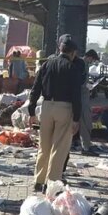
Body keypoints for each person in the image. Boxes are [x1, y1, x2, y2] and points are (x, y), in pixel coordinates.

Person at [27, 35, 83, 192]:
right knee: (59, 148)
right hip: (64, 108)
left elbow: (35, 88)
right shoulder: (73, 68)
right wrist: (77, 118)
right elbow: (76, 96)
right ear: (72, 53)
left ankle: (38, 181)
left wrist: (31, 111)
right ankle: (51, 184)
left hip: (46, 106)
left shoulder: (47, 64)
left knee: (44, 145)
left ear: (60, 49)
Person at [75, 49, 101, 156]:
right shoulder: (81, 64)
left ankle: (84, 144)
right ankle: (86, 147)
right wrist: (87, 87)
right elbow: (79, 82)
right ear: (89, 57)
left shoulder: (81, 64)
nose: (92, 62)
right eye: (92, 59)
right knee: (85, 122)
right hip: (81, 98)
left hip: (82, 97)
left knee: (83, 122)